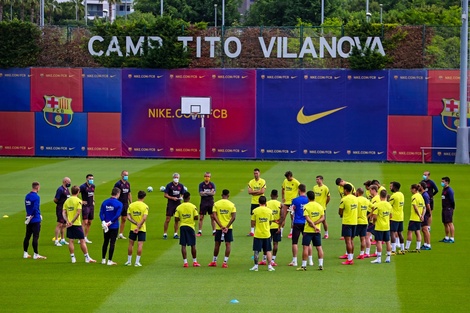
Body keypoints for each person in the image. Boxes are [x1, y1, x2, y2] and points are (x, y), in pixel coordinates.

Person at [63, 186, 96, 263]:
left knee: (71, 240)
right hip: (76, 223)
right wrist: (72, 221)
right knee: (82, 240)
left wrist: (67, 221)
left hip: (69, 224)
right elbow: (78, 213)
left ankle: (73, 258)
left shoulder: (67, 201)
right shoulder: (79, 201)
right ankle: (87, 257)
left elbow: (64, 212)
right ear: (78, 192)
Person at [281, 184, 312, 267]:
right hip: (306, 223)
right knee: (308, 242)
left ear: (299, 190)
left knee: (295, 242)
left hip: (297, 222)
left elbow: (291, 211)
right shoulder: (308, 200)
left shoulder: (295, 200)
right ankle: (310, 260)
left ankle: (295, 261)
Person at [208, 189, 236, 268]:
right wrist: (227, 226)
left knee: (217, 244)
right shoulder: (231, 204)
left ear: (221, 195)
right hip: (228, 228)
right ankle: (225, 262)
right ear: (228, 195)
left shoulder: (216, 204)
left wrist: (220, 226)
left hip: (218, 228)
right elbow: (234, 217)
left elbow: (214, 216)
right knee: (228, 244)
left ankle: (214, 261)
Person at [297, 191, 325, 271]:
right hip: (317, 231)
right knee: (319, 247)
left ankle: (304, 266)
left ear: (308, 198)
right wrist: (316, 225)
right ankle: (320, 265)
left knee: (305, 247)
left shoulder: (306, 206)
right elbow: (323, 218)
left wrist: (313, 225)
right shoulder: (319, 206)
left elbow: (307, 218)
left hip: (308, 230)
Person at [174, 192, 200, 267]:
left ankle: (185, 262)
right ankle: (194, 261)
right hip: (190, 227)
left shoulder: (179, 207)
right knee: (193, 245)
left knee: (183, 245)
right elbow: (196, 217)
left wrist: (183, 218)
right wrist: (190, 217)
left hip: (182, 226)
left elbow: (176, 218)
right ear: (189, 197)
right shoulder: (193, 206)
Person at [250, 196, 275, 272]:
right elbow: (270, 221)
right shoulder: (269, 211)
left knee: (256, 250)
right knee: (268, 250)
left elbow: (253, 222)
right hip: (267, 233)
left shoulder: (255, 210)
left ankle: (256, 266)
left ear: (258, 202)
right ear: (266, 202)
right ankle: (270, 266)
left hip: (258, 233)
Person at [125, 190, 149, 267]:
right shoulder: (145, 206)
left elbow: (128, 217)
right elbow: (144, 218)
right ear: (144, 197)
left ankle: (129, 261)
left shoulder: (131, 205)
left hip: (133, 228)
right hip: (142, 228)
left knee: (131, 244)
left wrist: (135, 224)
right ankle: (137, 262)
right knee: (140, 245)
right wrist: (139, 226)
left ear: (137, 196)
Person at [23, 181, 46, 260]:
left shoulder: (27, 196)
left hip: (28, 218)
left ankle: (25, 253)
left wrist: (28, 216)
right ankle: (36, 254)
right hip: (35, 219)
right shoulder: (36, 197)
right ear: (37, 187)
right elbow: (35, 208)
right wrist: (35, 215)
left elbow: (27, 206)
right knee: (35, 237)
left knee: (27, 236)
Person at [99, 187, 122, 266]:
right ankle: (109, 261)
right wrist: (110, 223)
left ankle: (103, 259)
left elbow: (101, 214)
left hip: (105, 226)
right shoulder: (119, 204)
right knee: (112, 243)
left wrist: (104, 222)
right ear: (118, 194)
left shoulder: (105, 202)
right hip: (114, 226)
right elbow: (117, 215)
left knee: (105, 241)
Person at [370, 190, 393, 264]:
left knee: (379, 242)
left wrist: (373, 222)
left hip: (379, 226)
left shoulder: (377, 205)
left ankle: (379, 258)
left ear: (380, 196)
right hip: (387, 226)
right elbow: (391, 216)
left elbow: (375, 217)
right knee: (388, 241)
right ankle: (388, 258)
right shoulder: (389, 205)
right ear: (386, 196)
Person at [338, 184, 358, 265]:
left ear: (346, 190)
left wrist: (341, 214)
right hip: (354, 221)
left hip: (347, 222)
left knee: (348, 241)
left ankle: (349, 259)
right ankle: (351, 257)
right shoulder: (355, 198)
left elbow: (340, 210)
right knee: (351, 240)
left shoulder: (344, 199)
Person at [163, 173, 186, 239]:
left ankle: (175, 233)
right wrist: (172, 198)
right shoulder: (169, 185)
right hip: (171, 204)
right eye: (175, 177)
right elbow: (165, 195)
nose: (176, 178)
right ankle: (165, 233)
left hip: (178, 204)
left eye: (177, 177)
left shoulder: (181, 186)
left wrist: (181, 197)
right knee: (168, 219)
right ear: (173, 178)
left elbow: (182, 193)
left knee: (177, 219)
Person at [405, 184, 425, 252]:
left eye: (411, 189)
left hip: (414, 218)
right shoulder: (421, 196)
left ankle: (407, 248)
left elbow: (415, 207)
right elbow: (424, 207)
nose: (410, 190)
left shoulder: (414, 196)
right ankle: (418, 248)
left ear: (414, 189)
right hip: (419, 219)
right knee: (418, 232)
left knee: (409, 232)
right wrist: (422, 216)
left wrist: (419, 215)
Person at [247, 168, 266, 236]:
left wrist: (253, 192)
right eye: (254, 173)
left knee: (262, 217)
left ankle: (262, 230)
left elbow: (262, 191)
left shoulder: (262, 181)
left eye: (257, 173)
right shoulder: (251, 182)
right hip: (254, 202)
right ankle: (252, 231)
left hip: (261, 202)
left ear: (259, 173)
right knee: (253, 217)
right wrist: (258, 192)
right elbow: (249, 192)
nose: (255, 175)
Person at [281, 171, 301, 239]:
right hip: (286, 202)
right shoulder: (285, 181)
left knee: (292, 218)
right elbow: (283, 189)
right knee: (283, 216)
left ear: (290, 176)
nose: (287, 178)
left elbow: (300, 191)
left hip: (292, 203)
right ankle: (280, 231)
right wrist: (283, 197)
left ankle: (291, 232)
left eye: (287, 177)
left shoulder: (296, 182)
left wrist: (298, 200)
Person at [265, 189, 282, 266]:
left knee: (267, 243)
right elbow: (282, 216)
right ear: (277, 196)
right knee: (275, 243)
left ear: (271, 195)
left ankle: (264, 259)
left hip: (268, 226)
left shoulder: (267, 203)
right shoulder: (280, 204)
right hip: (277, 226)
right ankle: (272, 260)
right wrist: (280, 227)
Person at [114, 170, 132, 239]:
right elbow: (115, 194)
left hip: (125, 204)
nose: (126, 176)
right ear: (121, 175)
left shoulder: (128, 184)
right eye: (125, 175)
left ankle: (121, 233)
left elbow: (129, 194)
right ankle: (115, 233)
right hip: (119, 204)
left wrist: (131, 203)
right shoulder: (118, 184)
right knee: (117, 218)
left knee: (124, 218)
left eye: (127, 175)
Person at [197, 172, 216, 237]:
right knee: (201, 217)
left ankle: (214, 231)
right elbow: (201, 193)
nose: (207, 177)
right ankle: (199, 231)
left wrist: (205, 192)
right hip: (203, 202)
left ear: (210, 177)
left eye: (208, 176)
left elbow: (213, 193)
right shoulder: (201, 184)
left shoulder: (212, 184)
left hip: (210, 202)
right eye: (206, 176)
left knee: (212, 217)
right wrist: (209, 192)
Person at [389, 181, 405, 255]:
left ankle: (393, 250)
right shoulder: (401, 194)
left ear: (395, 187)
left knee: (392, 232)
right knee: (400, 233)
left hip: (394, 217)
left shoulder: (394, 196)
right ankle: (402, 249)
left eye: (391, 186)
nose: (390, 187)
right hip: (400, 216)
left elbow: (388, 206)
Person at [54, 177, 71, 247]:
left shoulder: (67, 189)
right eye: (68, 182)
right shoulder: (60, 189)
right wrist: (60, 204)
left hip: (65, 210)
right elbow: (55, 199)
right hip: (60, 209)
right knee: (59, 224)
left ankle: (63, 239)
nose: (69, 183)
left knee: (64, 225)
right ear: (65, 181)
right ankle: (56, 240)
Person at [355, 188, 371, 259]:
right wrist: (368, 216)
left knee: (350, 238)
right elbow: (374, 208)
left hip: (357, 221)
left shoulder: (356, 200)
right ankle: (362, 254)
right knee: (363, 238)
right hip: (365, 221)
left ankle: (349, 254)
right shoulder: (366, 200)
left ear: (358, 192)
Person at [79, 174, 95, 244]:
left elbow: (93, 194)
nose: (91, 180)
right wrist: (81, 201)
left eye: (92, 178)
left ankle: (85, 237)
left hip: (91, 206)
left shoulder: (93, 186)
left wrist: (93, 200)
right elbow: (75, 194)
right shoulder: (83, 187)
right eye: (90, 178)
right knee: (84, 222)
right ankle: (81, 238)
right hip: (85, 206)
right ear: (86, 179)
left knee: (89, 222)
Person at [439, 176, 455, 243]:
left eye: (443, 182)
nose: (442, 183)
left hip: (448, 208)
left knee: (450, 223)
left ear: (447, 182)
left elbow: (452, 200)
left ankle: (452, 238)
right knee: (445, 223)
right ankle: (446, 237)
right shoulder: (444, 189)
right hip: (444, 208)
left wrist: (452, 208)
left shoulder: (449, 190)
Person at [419, 181, 432, 250]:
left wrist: (429, 213)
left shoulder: (425, 195)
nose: (418, 187)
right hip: (424, 213)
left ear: (422, 187)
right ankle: (425, 243)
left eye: (419, 186)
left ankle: (428, 244)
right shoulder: (423, 194)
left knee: (425, 229)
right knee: (423, 230)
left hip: (425, 214)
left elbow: (428, 205)